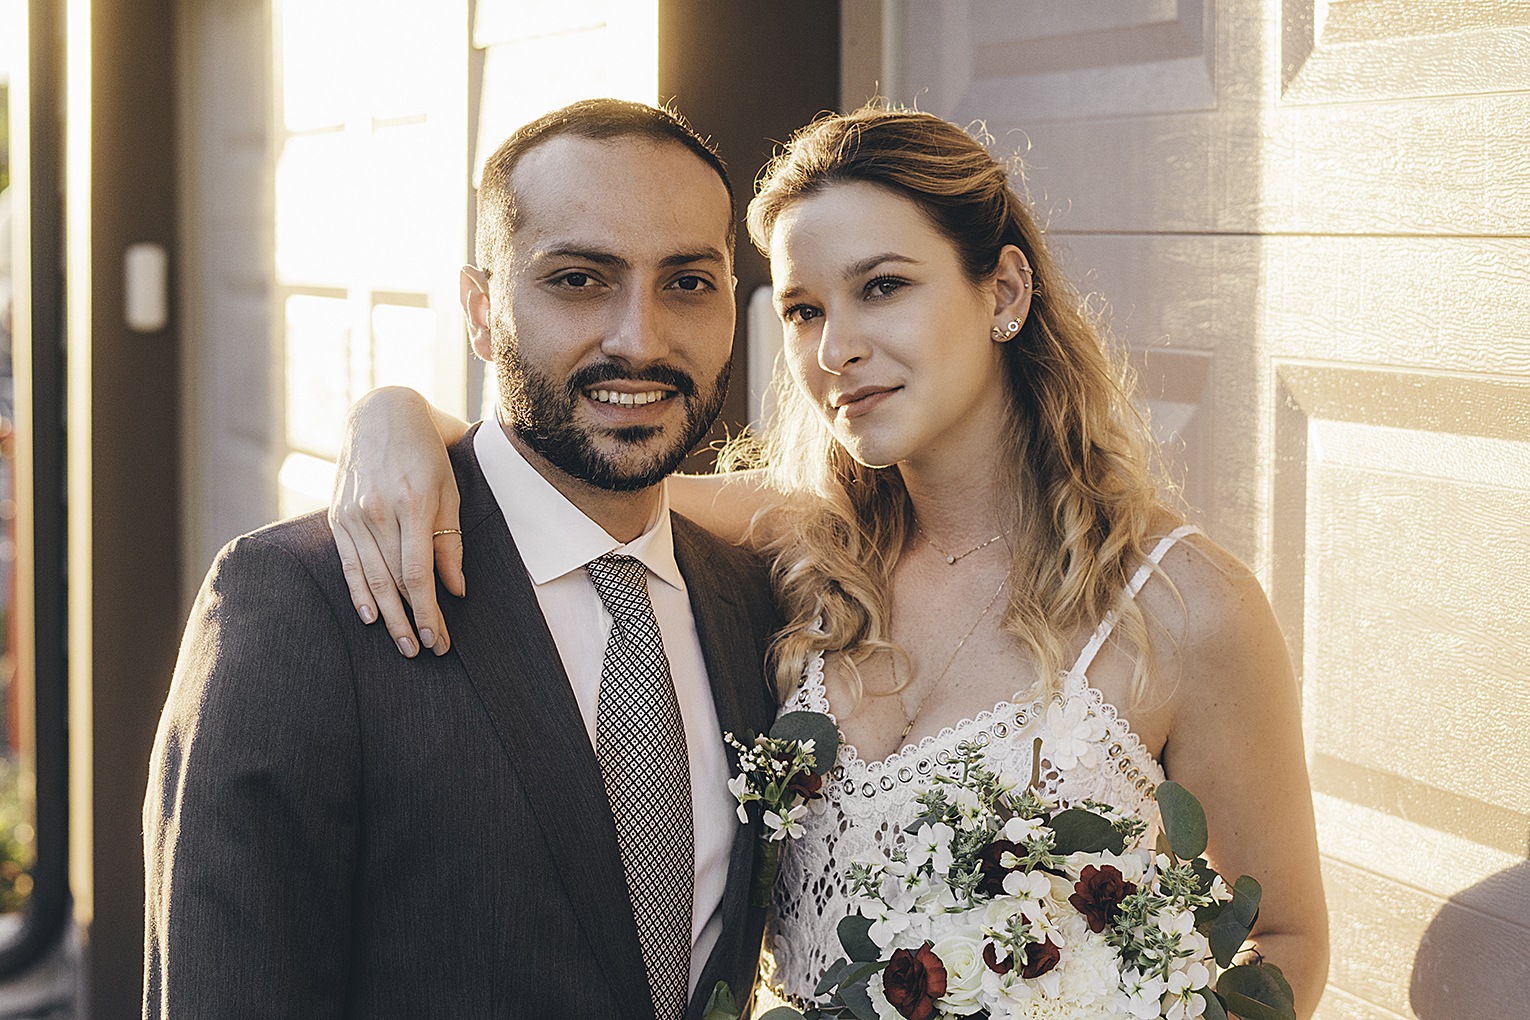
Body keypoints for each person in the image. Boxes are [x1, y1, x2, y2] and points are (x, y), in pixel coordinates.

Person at [329, 107, 1330, 1015]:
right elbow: (550, 479)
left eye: (882, 288)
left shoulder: (1186, 606)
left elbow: (1284, 943)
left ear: (1006, 292)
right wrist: (395, 415)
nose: (834, 349)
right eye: (804, 310)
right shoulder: (795, 545)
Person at [144, 99, 781, 1020]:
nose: (640, 338)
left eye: (687, 282)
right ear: (482, 311)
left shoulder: (756, 602)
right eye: (578, 280)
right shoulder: (300, 602)